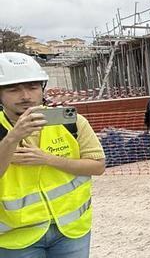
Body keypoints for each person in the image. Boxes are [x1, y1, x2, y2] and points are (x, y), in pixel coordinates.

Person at [0, 52, 106, 256]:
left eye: (33, 87)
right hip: (17, 239)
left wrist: (48, 159)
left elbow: (98, 166)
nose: (25, 96)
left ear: (42, 89)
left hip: (71, 230)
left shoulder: (72, 123)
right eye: (14, 89)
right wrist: (12, 138)